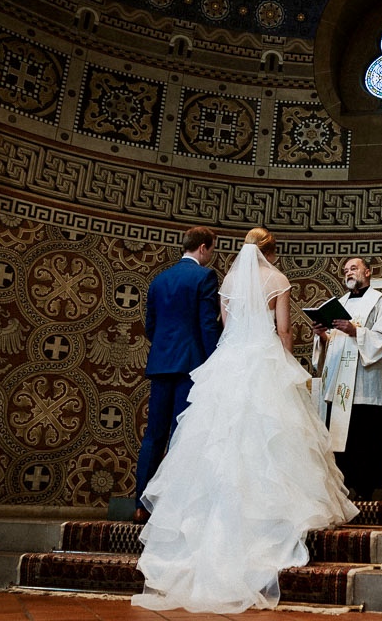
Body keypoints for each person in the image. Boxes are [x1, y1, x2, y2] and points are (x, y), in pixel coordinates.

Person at [132, 227, 357, 613]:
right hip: (263, 360)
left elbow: (222, 327)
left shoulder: (227, 280)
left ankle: (181, 516)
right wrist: (288, 366)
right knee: (268, 439)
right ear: (271, 251)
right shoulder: (278, 279)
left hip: (226, 362)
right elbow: (283, 331)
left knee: (210, 441)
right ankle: (266, 517)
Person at [134, 226, 222, 525]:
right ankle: (171, 505)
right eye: (212, 250)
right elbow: (207, 325)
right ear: (202, 248)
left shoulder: (160, 280)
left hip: (160, 364)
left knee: (153, 436)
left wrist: (164, 349)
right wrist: (214, 364)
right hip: (191, 366)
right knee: (181, 435)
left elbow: (150, 326)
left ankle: (141, 505)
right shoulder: (204, 277)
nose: (212, 255)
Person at [312, 256, 382, 501]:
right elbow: (335, 344)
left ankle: (365, 493)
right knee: (340, 442)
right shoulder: (338, 304)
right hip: (339, 385)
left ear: (368, 272)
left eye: (354, 268)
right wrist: (322, 336)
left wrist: (355, 330)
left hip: (364, 382)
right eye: (346, 270)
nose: (348, 273)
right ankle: (341, 493)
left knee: (364, 438)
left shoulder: (380, 302)